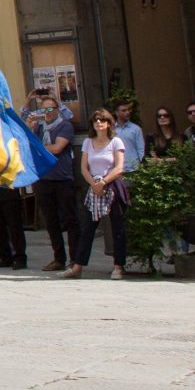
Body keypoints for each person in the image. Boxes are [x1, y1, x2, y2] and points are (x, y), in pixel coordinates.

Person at [69, 109, 131, 280]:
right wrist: (94, 184)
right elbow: (83, 168)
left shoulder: (115, 142)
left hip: (112, 186)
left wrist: (103, 182)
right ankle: (78, 266)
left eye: (102, 120)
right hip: (94, 186)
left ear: (109, 123)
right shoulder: (88, 142)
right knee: (88, 228)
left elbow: (119, 167)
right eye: (96, 120)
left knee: (117, 228)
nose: (99, 123)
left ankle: (118, 266)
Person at [31, 101, 79, 272]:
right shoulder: (39, 127)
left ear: (58, 110)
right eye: (44, 109)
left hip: (62, 179)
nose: (47, 112)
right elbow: (28, 145)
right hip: (43, 179)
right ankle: (58, 258)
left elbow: (58, 148)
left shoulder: (64, 126)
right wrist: (30, 128)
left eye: (51, 109)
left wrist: (39, 148)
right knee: (51, 221)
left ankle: (75, 258)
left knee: (70, 219)